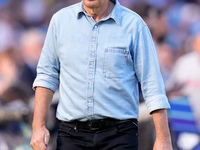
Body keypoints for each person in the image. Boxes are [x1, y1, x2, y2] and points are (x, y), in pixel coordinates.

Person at [30, 0, 172, 150]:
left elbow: (152, 84)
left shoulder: (134, 25)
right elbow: (47, 75)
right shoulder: (60, 21)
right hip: (71, 135)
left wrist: (163, 138)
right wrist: (38, 126)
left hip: (119, 134)